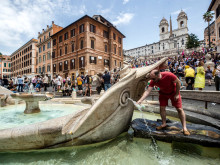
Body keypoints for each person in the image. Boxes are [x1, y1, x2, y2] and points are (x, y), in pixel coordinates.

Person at [137, 70, 190, 136]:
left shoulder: (169, 75)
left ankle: (184, 128)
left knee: (179, 109)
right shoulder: (153, 80)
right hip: (163, 93)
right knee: (162, 108)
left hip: (173, 92)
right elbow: (148, 91)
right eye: (151, 78)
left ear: (158, 75)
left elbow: (178, 83)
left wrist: (177, 94)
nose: (152, 80)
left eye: (153, 78)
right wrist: (140, 100)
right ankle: (163, 124)